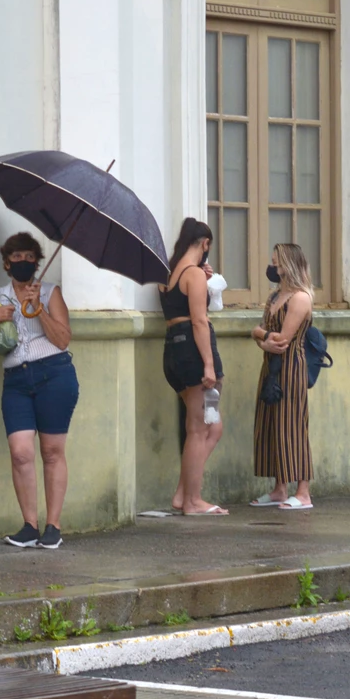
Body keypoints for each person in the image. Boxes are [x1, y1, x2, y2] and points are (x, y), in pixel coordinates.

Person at [0, 232, 78, 549]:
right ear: (7, 263)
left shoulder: (50, 293)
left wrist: (39, 309)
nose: (23, 262)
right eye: (16, 257)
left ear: (37, 262)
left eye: (28, 256)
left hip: (54, 374)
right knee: (21, 452)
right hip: (16, 380)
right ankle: (29, 525)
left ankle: (53, 526)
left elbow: (63, 339)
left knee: (51, 452)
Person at [160, 218, 228, 515]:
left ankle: (183, 494)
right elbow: (200, 320)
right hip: (194, 350)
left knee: (210, 426)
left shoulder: (167, 273)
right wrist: (209, 365)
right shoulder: (194, 275)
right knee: (199, 429)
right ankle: (192, 501)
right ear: (205, 244)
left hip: (173, 349)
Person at [250, 244, 315, 509]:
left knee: (293, 425)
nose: (273, 267)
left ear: (289, 264)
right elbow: (265, 336)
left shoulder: (300, 298)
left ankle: (303, 492)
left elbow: (282, 340)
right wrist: (262, 337)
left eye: (277, 263)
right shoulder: (276, 296)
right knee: (272, 424)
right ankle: (279, 488)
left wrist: (260, 335)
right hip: (271, 366)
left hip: (291, 368)